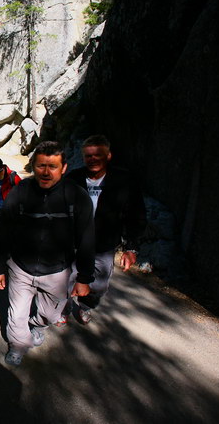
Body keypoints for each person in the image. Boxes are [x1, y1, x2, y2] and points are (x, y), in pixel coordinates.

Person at [0, 141, 95, 366]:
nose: (46, 172)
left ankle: (38, 326)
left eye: (53, 166)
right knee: (17, 313)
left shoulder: (77, 197)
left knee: (50, 314)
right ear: (33, 166)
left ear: (64, 168)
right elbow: (3, 232)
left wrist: (85, 278)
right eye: (40, 166)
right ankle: (18, 345)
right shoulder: (20, 192)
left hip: (57, 272)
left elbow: (87, 238)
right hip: (20, 268)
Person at [65, 135, 146, 324]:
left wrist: (131, 248)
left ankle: (85, 305)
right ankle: (64, 306)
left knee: (99, 285)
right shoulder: (73, 180)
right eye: (88, 156)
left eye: (98, 155)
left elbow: (135, 214)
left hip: (104, 244)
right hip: (74, 242)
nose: (93, 159)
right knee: (67, 279)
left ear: (108, 156)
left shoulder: (123, 181)